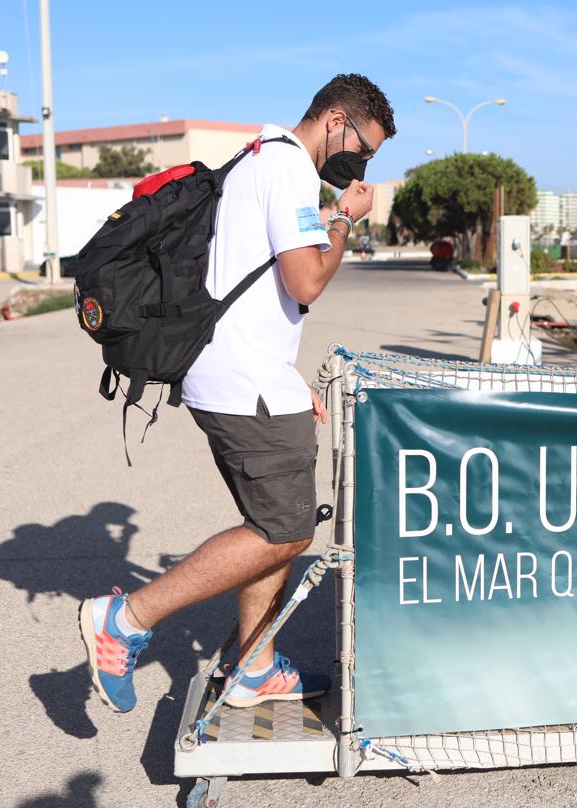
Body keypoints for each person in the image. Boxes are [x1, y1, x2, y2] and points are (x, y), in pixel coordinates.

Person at [79, 73, 395, 714]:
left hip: (248, 377)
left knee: (273, 522)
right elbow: (304, 282)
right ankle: (127, 618)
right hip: (242, 384)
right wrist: (347, 222)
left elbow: (260, 286)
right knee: (285, 532)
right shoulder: (288, 170)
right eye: (364, 147)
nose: (362, 162)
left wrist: (284, 376)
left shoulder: (260, 157)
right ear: (337, 119)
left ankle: (252, 666)